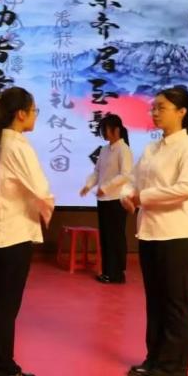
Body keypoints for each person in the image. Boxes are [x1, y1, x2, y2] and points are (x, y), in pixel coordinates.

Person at [122, 86, 188, 376]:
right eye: (153, 107)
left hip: (177, 234)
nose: (155, 112)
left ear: (181, 112)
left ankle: (174, 369)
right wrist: (128, 195)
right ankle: (154, 359)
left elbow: (187, 188)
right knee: (155, 301)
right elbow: (133, 180)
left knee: (175, 303)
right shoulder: (152, 148)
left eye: (162, 108)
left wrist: (144, 197)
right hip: (151, 232)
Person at [0, 87, 54, 376]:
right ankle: (2, 368)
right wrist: (46, 211)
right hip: (12, 234)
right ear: (21, 114)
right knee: (5, 305)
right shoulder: (18, 145)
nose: (35, 116)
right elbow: (41, 190)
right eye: (34, 111)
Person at [81, 114, 133, 284]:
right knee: (106, 237)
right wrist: (89, 185)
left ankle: (118, 273)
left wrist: (106, 187)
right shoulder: (104, 150)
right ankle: (108, 271)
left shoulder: (123, 149)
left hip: (117, 200)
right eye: (102, 130)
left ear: (116, 130)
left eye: (106, 129)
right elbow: (97, 172)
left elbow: (125, 175)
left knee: (115, 237)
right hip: (104, 200)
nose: (103, 133)